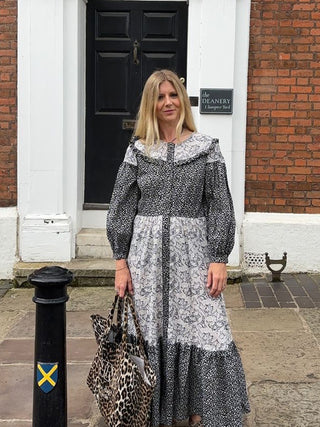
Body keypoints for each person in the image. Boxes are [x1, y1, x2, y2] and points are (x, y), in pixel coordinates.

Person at [107, 69, 250, 427]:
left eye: (173, 95)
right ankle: (154, 410)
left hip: (194, 257)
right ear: (151, 104)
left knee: (209, 328)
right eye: (160, 97)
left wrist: (219, 257)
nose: (168, 102)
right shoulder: (138, 151)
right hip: (146, 258)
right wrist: (121, 263)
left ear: (182, 101)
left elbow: (220, 205)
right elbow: (121, 207)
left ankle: (202, 407)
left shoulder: (206, 149)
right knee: (150, 329)